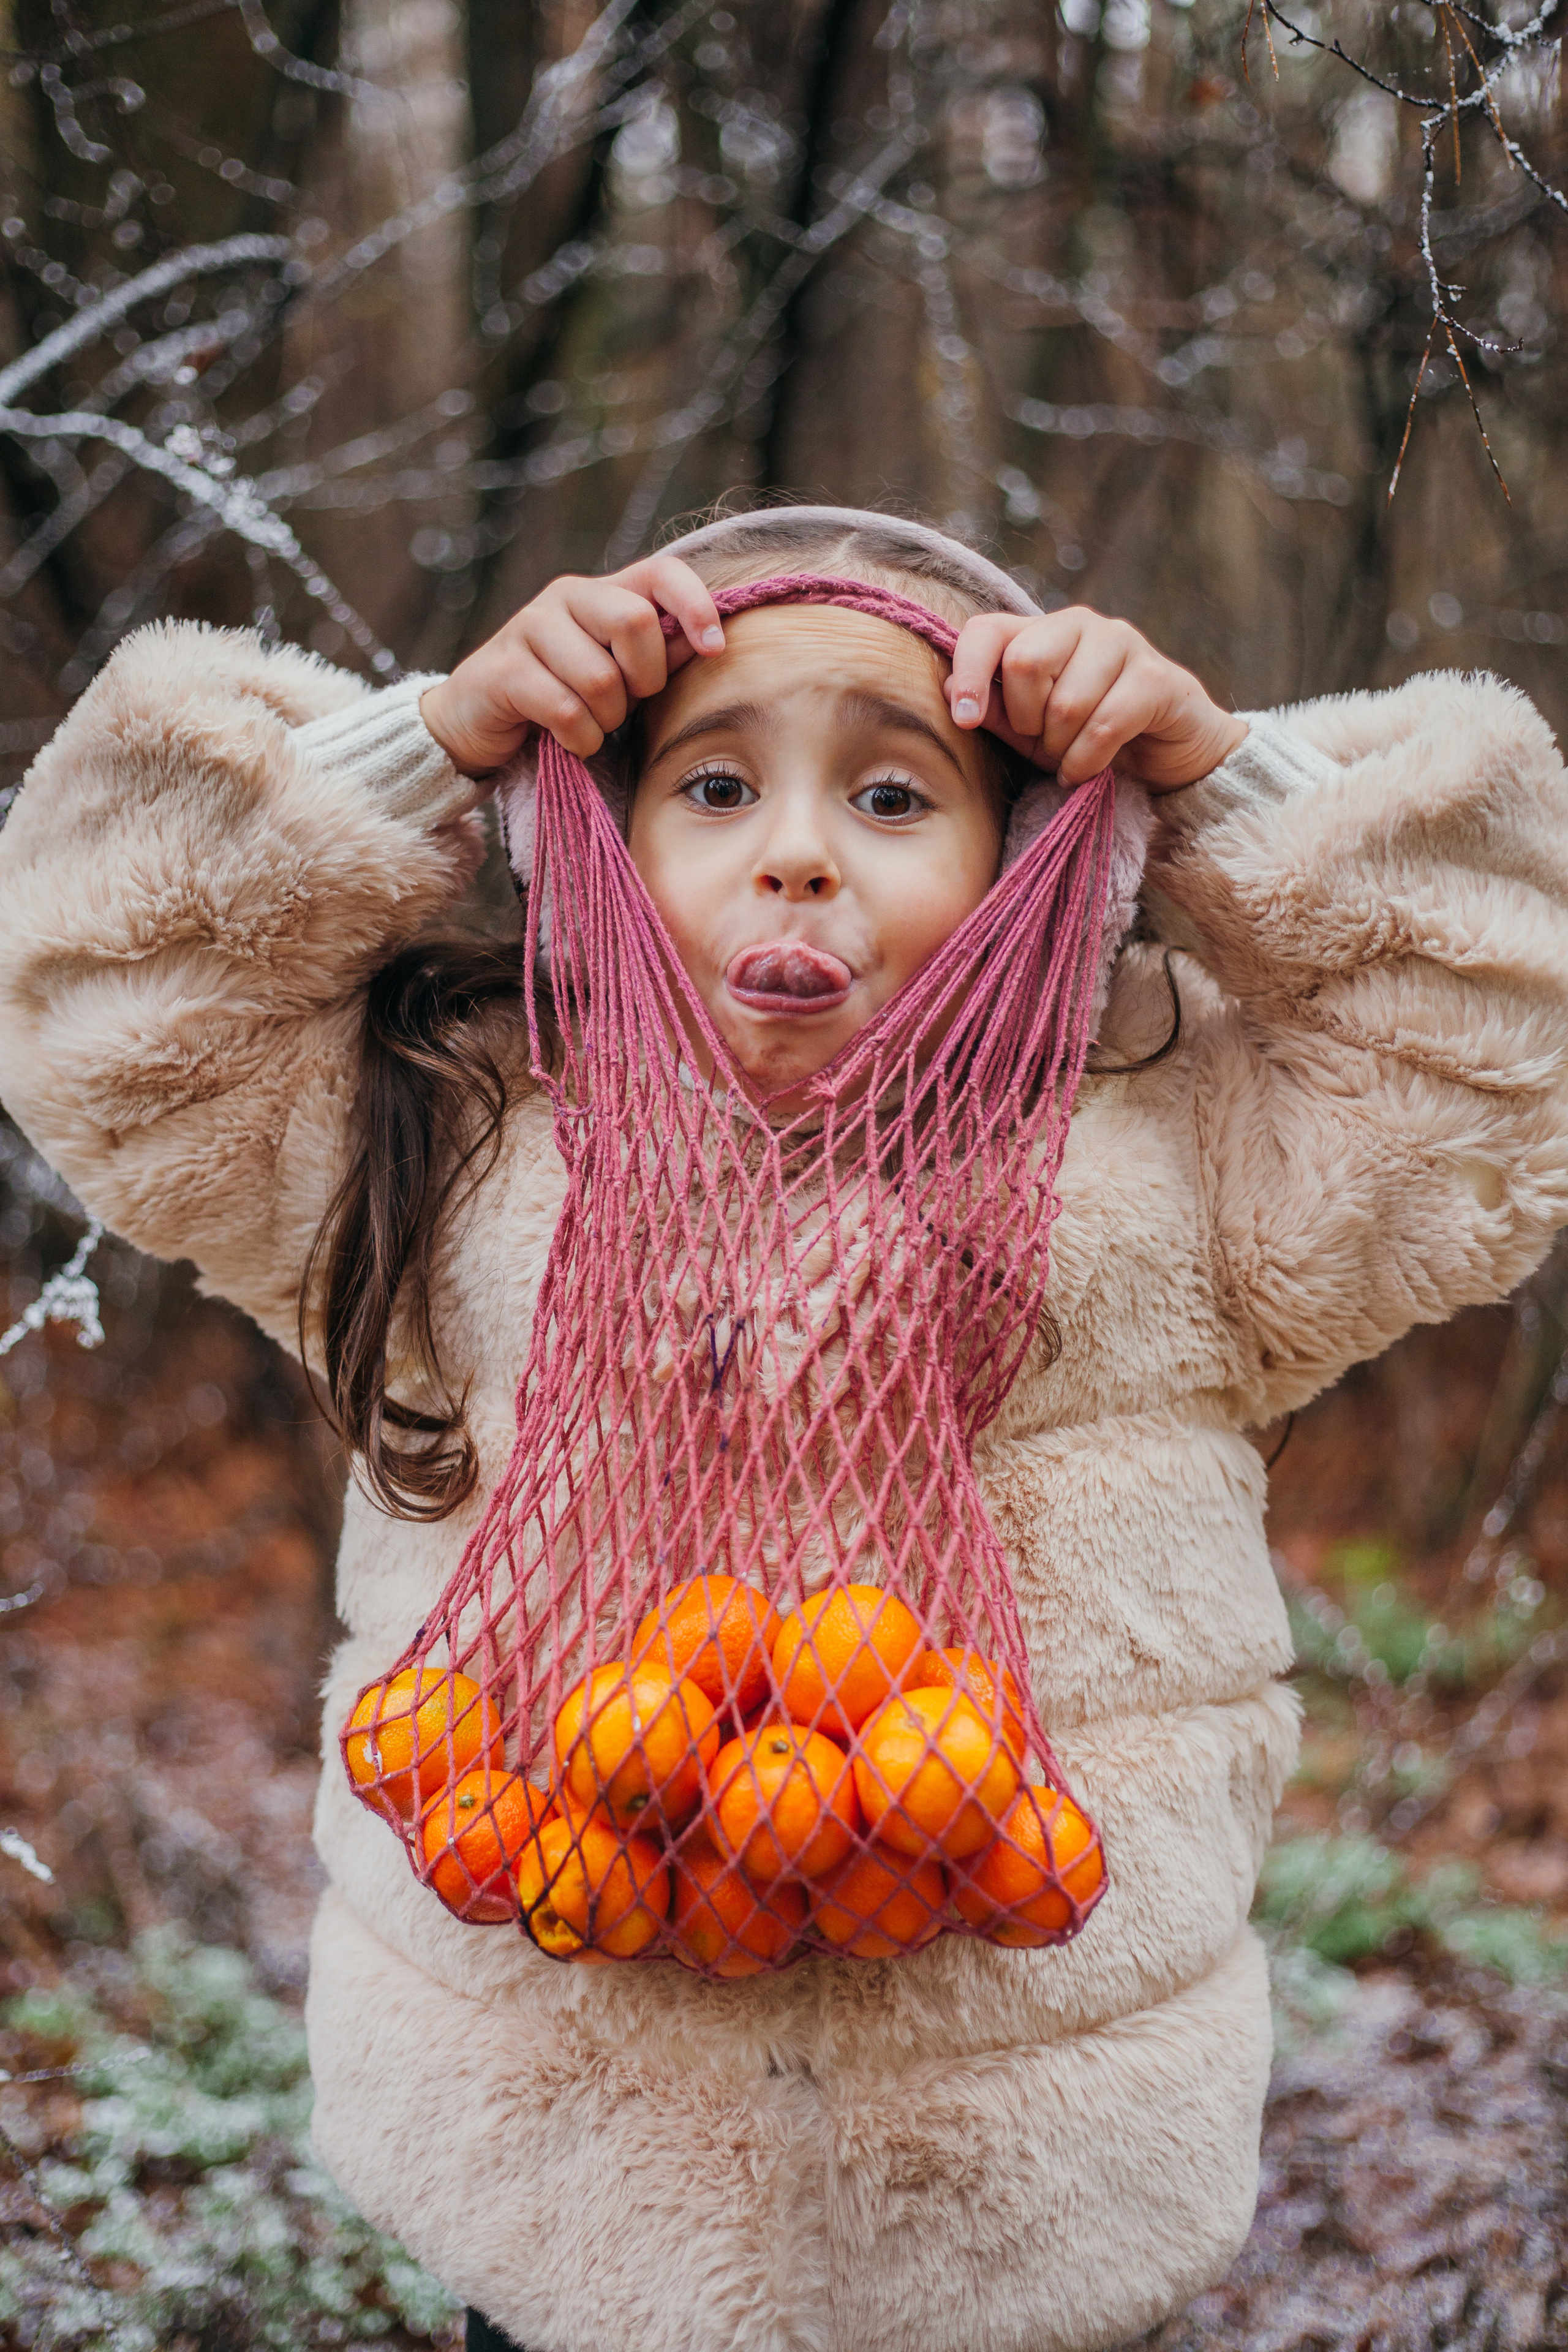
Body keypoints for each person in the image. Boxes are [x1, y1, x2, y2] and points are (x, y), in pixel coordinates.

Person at [0, 503, 1564, 2352]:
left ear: (1029, 856)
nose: (801, 857)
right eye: (717, 790)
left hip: (1025, 2192)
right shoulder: (452, 1135)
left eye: (895, 801)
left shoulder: (1175, 1144)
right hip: (564, 2172)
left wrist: (1221, 784)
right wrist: (430, 746)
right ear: (591, 830)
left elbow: (1495, 1063)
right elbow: (113, 1009)